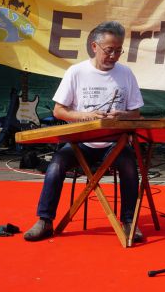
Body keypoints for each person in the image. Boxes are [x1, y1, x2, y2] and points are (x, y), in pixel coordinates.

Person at [24, 21, 145, 242]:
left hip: (114, 144)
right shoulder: (76, 71)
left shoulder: (126, 73)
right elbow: (59, 111)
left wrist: (122, 116)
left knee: (129, 165)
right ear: (94, 47)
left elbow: (136, 113)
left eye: (119, 51)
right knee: (56, 165)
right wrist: (87, 116)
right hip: (80, 144)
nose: (114, 56)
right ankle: (45, 220)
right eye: (109, 50)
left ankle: (130, 221)